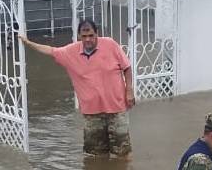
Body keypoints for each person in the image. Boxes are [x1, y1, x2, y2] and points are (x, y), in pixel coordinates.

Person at [19, 19, 135, 156]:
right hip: (92, 113)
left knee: (122, 153)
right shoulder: (70, 52)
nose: (88, 40)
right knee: (95, 155)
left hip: (117, 107)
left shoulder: (110, 44)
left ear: (97, 34)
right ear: (79, 36)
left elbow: (126, 67)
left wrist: (129, 90)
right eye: (84, 36)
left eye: (91, 35)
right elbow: (50, 51)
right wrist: (27, 43)